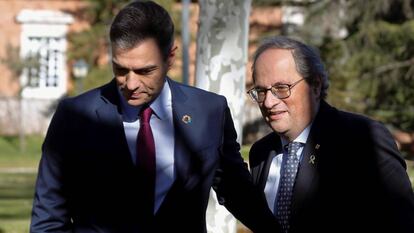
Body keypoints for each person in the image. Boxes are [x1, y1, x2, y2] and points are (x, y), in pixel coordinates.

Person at [30, 1, 278, 233]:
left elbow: (237, 191)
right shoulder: (74, 116)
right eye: (120, 69)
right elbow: (49, 217)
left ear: (170, 57)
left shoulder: (209, 111)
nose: (131, 83)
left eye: (144, 70)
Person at [247, 35, 414, 233]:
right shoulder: (261, 153)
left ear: (315, 86)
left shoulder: (363, 140)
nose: (268, 102)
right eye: (261, 91)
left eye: (281, 88)